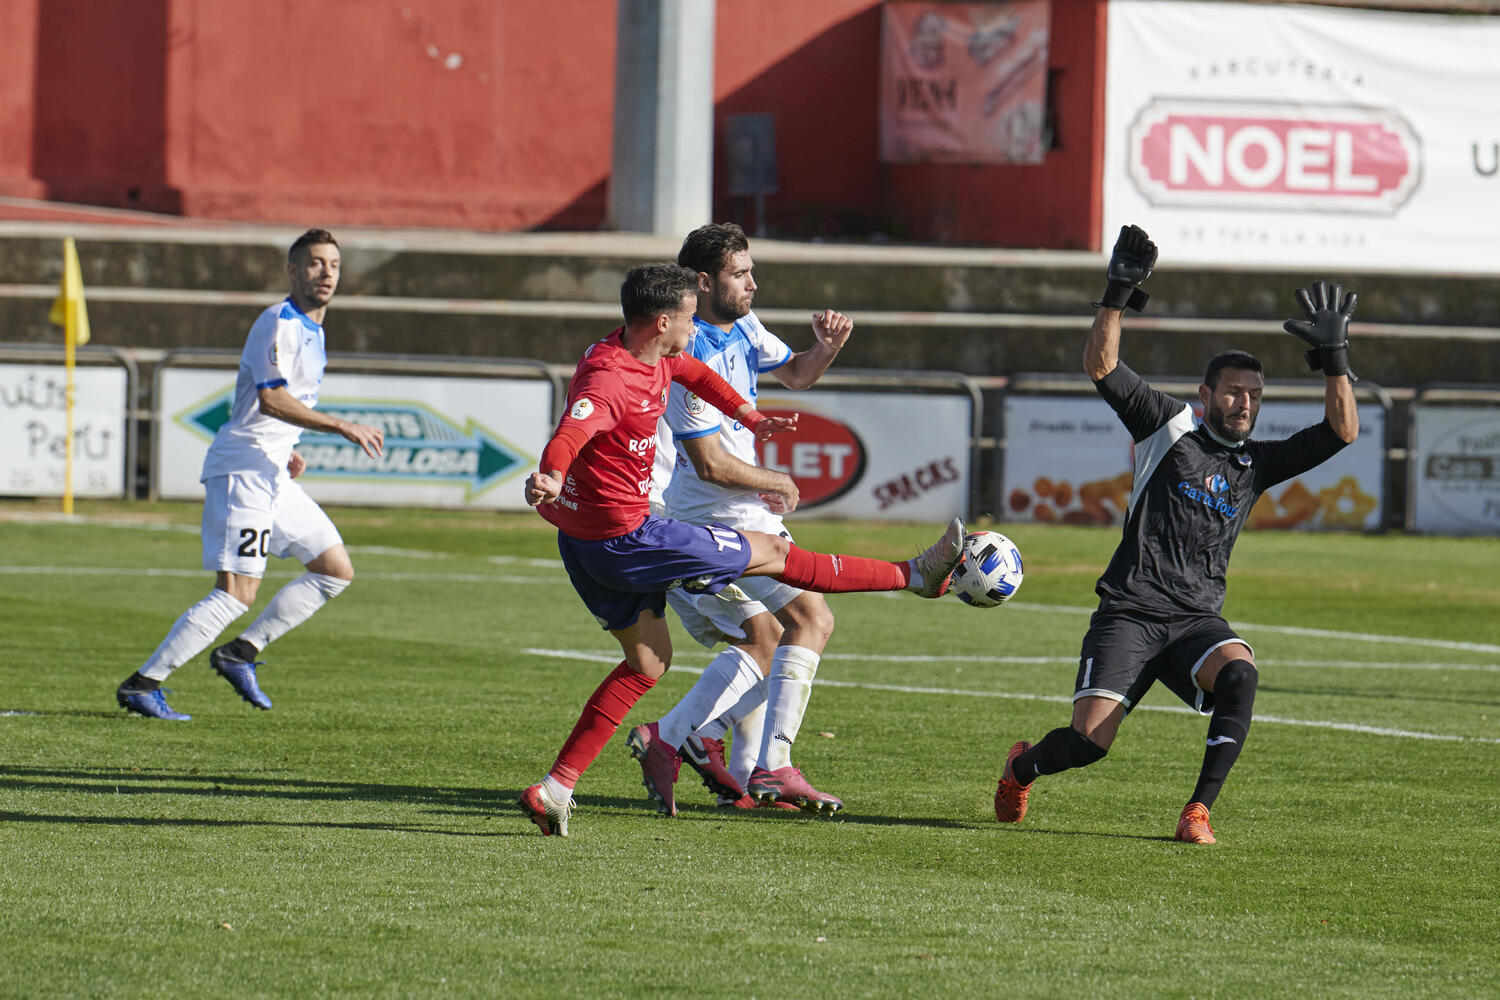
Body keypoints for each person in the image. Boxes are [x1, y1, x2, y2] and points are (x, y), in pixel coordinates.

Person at [519, 261, 964, 837]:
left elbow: (696, 375)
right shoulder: (609, 378)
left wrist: (749, 416)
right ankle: (917, 574)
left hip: (583, 542)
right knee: (777, 554)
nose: (694, 325)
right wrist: (552, 475)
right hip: (631, 540)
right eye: (688, 317)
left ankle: (555, 788)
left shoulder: (653, 354)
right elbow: (571, 433)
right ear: (662, 322)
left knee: (648, 662)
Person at [993, 224, 1360, 844]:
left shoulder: (1257, 463)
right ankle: (1021, 768)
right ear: (1205, 394)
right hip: (1130, 612)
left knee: (1241, 674)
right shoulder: (1169, 426)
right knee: (1088, 743)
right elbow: (1102, 365)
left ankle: (1197, 812)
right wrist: (1118, 294)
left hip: (1195, 622)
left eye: (1255, 395)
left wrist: (1336, 360)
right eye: (1234, 392)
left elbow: (1341, 432)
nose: (1245, 404)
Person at [631, 222, 854, 818]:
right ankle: (730, 753)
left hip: (737, 513)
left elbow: (796, 374)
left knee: (779, 635)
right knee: (801, 624)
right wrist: (774, 479)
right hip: (707, 520)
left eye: (751, 270)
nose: (753, 283)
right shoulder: (689, 353)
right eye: (740, 273)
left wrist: (827, 347)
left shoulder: (745, 325)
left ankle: (736, 764)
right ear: (703, 283)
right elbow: (709, 464)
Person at [116, 229, 385, 720]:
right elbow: (271, 398)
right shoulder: (277, 321)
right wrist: (341, 425)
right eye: (315, 263)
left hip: (272, 471)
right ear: (293, 271)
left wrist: (290, 449)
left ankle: (240, 653)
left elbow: (284, 408)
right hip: (243, 471)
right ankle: (143, 684)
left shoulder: (315, 331)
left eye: (334, 265)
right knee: (236, 592)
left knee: (334, 571)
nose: (326, 273)